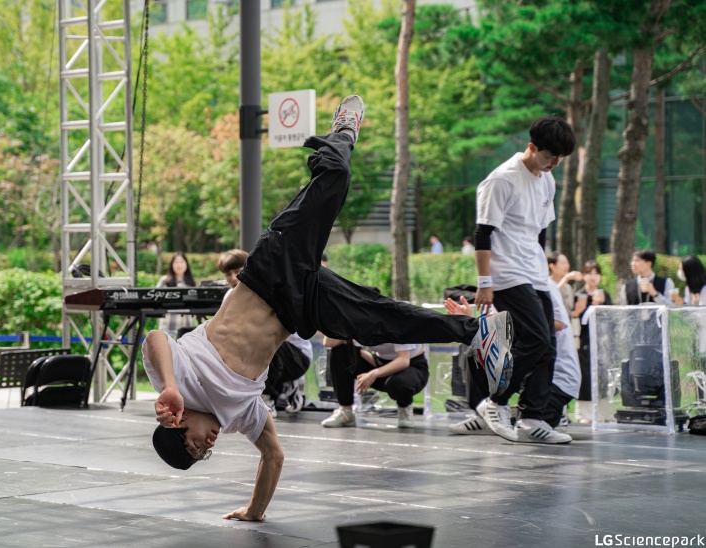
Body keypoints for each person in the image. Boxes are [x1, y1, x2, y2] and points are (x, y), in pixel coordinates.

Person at [141, 95, 513, 522]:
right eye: (203, 453)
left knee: (333, 175)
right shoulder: (240, 416)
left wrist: (168, 385)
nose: (207, 445)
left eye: (194, 443)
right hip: (301, 308)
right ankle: (478, 331)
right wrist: (254, 512)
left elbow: (154, 339)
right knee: (376, 320)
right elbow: (274, 457)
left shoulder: (178, 384)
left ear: (178, 421)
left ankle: (343, 132)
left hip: (269, 272)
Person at [469, 115, 575, 444]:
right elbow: (482, 233)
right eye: (549, 157)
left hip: (533, 272)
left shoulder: (547, 179)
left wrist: (542, 271)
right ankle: (495, 402)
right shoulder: (502, 180)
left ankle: (531, 418)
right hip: (505, 274)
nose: (554, 164)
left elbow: (540, 231)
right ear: (532, 147)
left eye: (560, 159)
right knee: (536, 341)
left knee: (549, 345)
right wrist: (484, 282)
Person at [445, 279, 580, 434]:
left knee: (526, 425)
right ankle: (482, 413)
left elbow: (558, 323)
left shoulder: (543, 285)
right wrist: (469, 319)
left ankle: (554, 410)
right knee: (477, 347)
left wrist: (525, 326)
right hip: (524, 367)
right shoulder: (502, 288)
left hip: (556, 376)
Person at [217, 248, 312, 417]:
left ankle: (267, 399)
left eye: (237, 272)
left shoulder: (269, 291)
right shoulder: (229, 297)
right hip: (262, 353)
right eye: (228, 274)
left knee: (259, 337)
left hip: (296, 356)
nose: (233, 278)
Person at [321, 329, 429, 429]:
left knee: (399, 384)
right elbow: (328, 343)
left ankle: (404, 406)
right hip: (380, 363)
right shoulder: (362, 319)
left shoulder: (397, 320)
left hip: (412, 366)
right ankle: (346, 411)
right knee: (340, 351)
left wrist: (374, 374)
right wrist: (342, 322)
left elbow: (403, 361)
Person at [572, 260, 612, 423]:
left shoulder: (604, 295)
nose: (593, 277)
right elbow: (575, 319)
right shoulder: (579, 295)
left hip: (602, 342)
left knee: (603, 376)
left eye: (596, 273)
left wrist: (601, 304)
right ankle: (584, 414)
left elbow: (612, 318)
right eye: (589, 273)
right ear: (584, 275)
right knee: (585, 376)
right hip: (583, 342)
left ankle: (605, 412)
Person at [156, 252, 198, 338]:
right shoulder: (165, 281)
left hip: (186, 325)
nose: (179, 265)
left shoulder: (190, 282)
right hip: (168, 324)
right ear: (172, 264)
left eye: (182, 262)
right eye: (176, 262)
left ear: (186, 264)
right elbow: (155, 297)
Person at [548, 252, 583, 317]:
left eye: (567, 263)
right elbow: (553, 296)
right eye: (563, 263)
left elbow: (568, 313)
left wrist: (577, 312)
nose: (567, 266)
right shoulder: (547, 284)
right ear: (552, 266)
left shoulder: (568, 288)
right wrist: (566, 278)